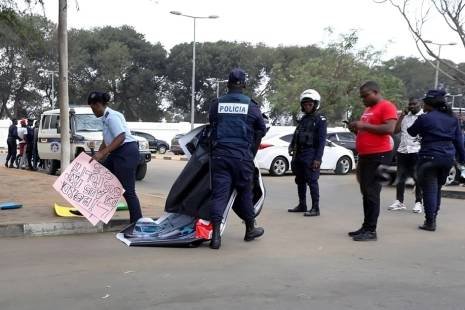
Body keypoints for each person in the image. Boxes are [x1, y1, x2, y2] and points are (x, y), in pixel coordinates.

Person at [208, 68, 266, 250]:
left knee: (219, 195)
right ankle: (250, 230)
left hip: (221, 156)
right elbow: (261, 129)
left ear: (228, 84)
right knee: (245, 193)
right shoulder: (251, 105)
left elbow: (212, 124)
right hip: (242, 158)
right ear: (244, 85)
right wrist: (251, 152)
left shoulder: (217, 104)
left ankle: (215, 237)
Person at [407, 89, 465, 231]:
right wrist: (463, 159)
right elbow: (459, 141)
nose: (423, 105)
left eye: (424, 102)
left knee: (429, 189)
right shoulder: (453, 119)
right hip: (447, 158)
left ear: (429, 104)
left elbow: (411, 132)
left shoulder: (425, 118)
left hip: (429, 157)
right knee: (437, 188)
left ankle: (430, 222)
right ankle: (433, 217)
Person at [348, 81, 398, 241]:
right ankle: (366, 226)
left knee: (372, 192)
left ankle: (371, 230)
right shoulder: (368, 109)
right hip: (365, 155)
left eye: (365, 96)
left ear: (375, 92)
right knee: (366, 192)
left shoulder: (387, 106)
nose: (363, 100)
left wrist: (363, 125)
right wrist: (357, 128)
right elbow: (368, 128)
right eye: (361, 97)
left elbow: (389, 129)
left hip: (379, 155)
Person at [88, 91, 143, 224]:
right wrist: (98, 154)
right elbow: (107, 139)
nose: (92, 110)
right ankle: (96, 210)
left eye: (93, 107)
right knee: (101, 177)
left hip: (126, 152)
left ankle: (137, 222)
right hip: (117, 153)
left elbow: (121, 137)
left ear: (99, 104)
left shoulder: (112, 117)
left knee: (128, 191)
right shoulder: (105, 117)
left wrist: (103, 153)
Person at [288, 89, 327, 217]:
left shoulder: (320, 120)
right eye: (305, 104)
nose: (307, 106)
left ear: (315, 104)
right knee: (300, 180)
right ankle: (302, 205)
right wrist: (291, 146)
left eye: (310, 104)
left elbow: (321, 142)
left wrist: (318, 159)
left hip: (311, 154)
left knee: (312, 181)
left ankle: (315, 208)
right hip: (299, 153)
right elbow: (296, 134)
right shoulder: (303, 119)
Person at [387, 98, 423, 213]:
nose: (412, 106)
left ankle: (418, 203)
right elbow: (395, 131)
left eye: (414, 104)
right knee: (400, 178)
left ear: (420, 104)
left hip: (417, 151)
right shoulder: (405, 117)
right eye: (410, 104)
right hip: (402, 151)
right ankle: (399, 201)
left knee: (417, 178)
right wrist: (401, 116)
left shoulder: (424, 117)